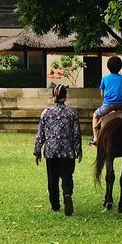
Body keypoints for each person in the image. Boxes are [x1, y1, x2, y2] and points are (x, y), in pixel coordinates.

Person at [34, 84, 81, 215]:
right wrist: (78, 149)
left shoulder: (46, 113)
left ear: (54, 96)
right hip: (68, 152)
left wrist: (37, 151)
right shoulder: (72, 113)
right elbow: (76, 133)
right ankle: (67, 193)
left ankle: (55, 205)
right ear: (65, 96)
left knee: (52, 179)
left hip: (51, 152)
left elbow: (40, 134)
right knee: (67, 176)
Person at [90, 55, 122, 145]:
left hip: (107, 105)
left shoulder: (104, 78)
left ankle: (96, 138)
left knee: (95, 116)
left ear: (108, 67)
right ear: (120, 67)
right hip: (121, 105)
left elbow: (102, 94)